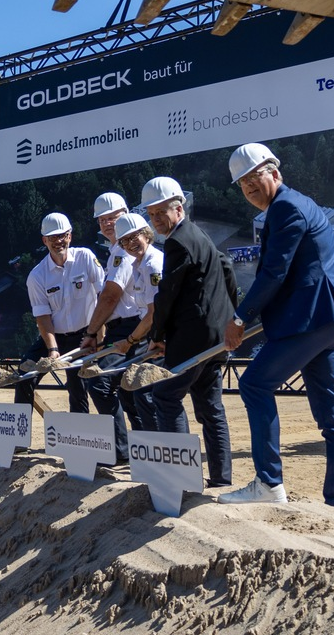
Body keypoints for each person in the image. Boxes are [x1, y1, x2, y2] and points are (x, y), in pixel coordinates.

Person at [219, 143, 334, 508]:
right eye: (243, 185)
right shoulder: (302, 203)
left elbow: (273, 274)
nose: (249, 189)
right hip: (331, 321)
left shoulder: (285, 208)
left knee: (253, 384)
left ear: (274, 172)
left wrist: (239, 319)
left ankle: (268, 484)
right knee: (332, 416)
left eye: (254, 179)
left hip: (310, 322)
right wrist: (321, 278)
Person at [139, 176, 238, 488]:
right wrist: (229, 318)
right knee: (211, 408)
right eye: (151, 214)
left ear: (178, 208)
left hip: (193, 340)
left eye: (160, 213)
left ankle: (183, 479)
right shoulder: (199, 235)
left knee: (165, 396)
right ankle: (221, 479)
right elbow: (227, 269)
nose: (155, 220)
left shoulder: (178, 242)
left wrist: (156, 336)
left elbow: (167, 294)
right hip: (216, 338)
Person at [14, 212, 104, 415]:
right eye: (52, 237)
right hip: (55, 337)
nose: (58, 241)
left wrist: (98, 336)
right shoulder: (37, 275)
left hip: (85, 335)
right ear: (44, 240)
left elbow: (103, 297)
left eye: (62, 235)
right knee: (25, 373)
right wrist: (52, 349)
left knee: (78, 386)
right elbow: (42, 317)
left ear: (70, 235)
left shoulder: (86, 257)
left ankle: (80, 436)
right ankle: (18, 439)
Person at [79, 192, 139, 459]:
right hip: (121, 329)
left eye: (112, 217)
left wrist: (91, 332)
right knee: (128, 390)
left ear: (126, 214)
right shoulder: (117, 251)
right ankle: (138, 448)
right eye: (102, 220)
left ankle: (123, 450)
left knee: (101, 384)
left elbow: (111, 296)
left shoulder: (123, 252)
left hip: (131, 328)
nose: (107, 223)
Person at [108, 213, 164, 433]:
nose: (131, 244)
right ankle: (150, 448)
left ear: (146, 235)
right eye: (125, 241)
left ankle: (162, 449)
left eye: (134, 237)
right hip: (151, 336)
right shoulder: (137, 265)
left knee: (147, 393)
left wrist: (130, 340)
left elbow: (153, 313)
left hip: (162, 338)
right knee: (139, 391)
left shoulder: (152, 264)